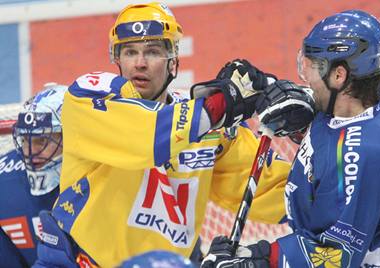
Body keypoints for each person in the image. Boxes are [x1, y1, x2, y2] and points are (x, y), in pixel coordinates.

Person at [33, 2, 292, 267]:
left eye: (153, 52)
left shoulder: (208, 128)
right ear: (117, 59)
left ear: (173, 62)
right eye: (130, 52)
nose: (140, 63)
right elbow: (146, 137)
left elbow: (272, 191)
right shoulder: (88, 97)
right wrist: (222, 104)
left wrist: (320, 178)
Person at [202, 10, 380, 267]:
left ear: (339, 75)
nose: (307, 77)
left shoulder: (362, 156)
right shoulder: (377, 88)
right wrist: (270, 88)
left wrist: (257, 259)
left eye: (314, 67)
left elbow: (336, 256)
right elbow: (334, 127)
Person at [0, 83, 67, 267]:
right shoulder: (5, 186)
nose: (30, 152)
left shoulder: (109, 175)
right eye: (25, 139)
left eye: (41, 140)